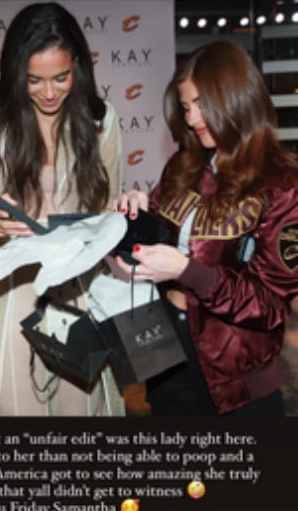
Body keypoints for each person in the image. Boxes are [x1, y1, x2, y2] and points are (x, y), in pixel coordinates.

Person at [0, 1, 126, 416]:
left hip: (77, 287)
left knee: (81, 405)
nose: (48, 92)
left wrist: (126, 212)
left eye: (61, 77)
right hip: (9, 290)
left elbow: (109, 206)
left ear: (78, 66)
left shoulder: (101, 121)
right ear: (14, 71)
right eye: (34, 80)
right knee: (15, 406)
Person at [113, 40, 298, 417]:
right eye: (186, 107)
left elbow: (270, 305)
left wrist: (187, 272)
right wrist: (136, 212)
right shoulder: (184, 165)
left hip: (235, 371)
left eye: (203, 105)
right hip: (163, 345)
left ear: (238, 100)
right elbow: (163, 237)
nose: (193, 119)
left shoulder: (282, 184)